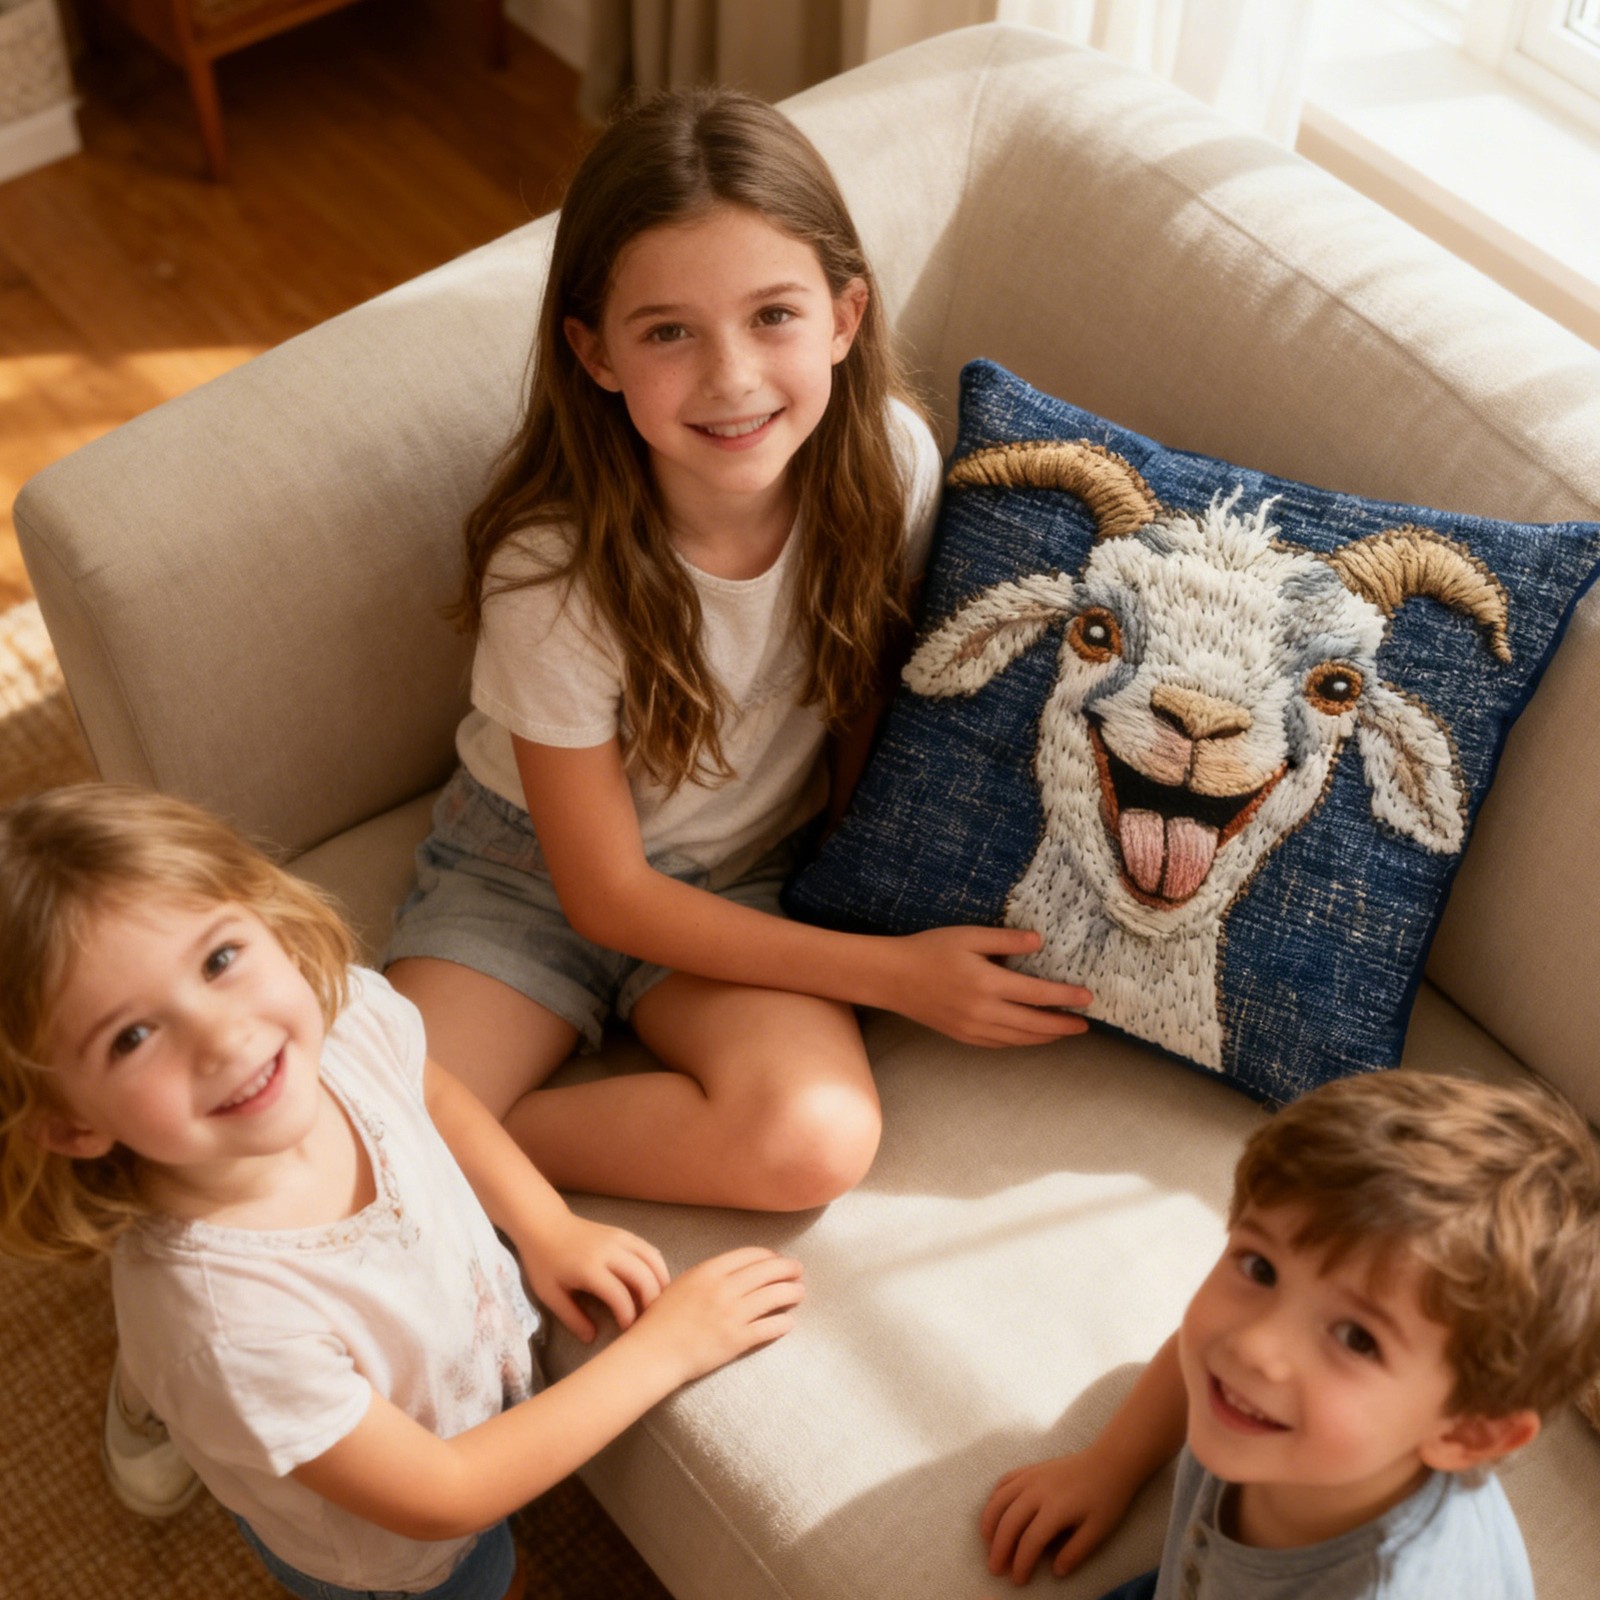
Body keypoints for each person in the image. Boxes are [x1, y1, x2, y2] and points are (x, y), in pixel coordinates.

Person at [384, 86, 1093, 1213]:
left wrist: (852, 877)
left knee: (813, 1141)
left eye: (773, 315)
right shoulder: (553, 573)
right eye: (668, 331)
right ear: (595, 352)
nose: (731, 378)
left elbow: (869, 690)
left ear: (844, 317)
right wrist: (894, 976)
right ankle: (453, 1143)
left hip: (754, 871)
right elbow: (608, 895)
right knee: (366, 1141)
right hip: (527, 875)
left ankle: (486, 1145)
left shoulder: (892, 464)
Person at [0, 784, 805, 1599]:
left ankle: (179, 1402)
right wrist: (668, 1349)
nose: (223, 1036)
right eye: (132, 1037)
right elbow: (446, 1495)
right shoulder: (226, 1328)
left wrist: (546, 1224)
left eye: (217, 960)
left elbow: (432, 1091)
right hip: (394, 1564)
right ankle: (168, 1400)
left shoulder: (338, 1020)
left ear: (266, 919)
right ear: (69, 1126)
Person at [980, 1070, 1600, 1598]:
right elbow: (1192, 1360)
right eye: (1261, 1269)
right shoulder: (1260, 1396)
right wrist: (1108, 1465)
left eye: (1357, 1338)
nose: (1254, 1344)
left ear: (1465, 1432)